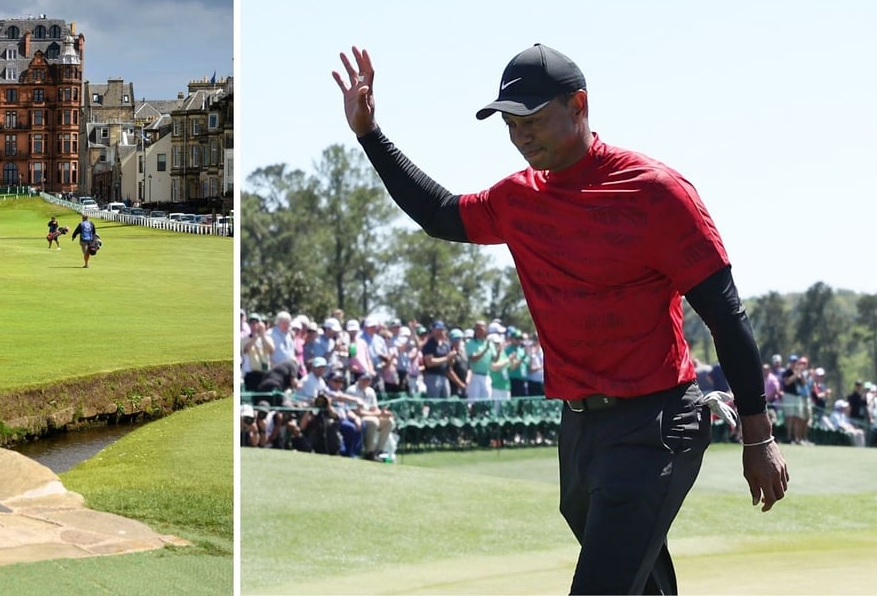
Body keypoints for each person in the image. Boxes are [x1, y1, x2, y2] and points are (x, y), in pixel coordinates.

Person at [335, 43, 788, 594]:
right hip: (579, 432)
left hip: (656, 425)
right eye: (509, 122)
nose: (521, 134)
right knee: (639, 584)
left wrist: (758, 437)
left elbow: (726, 315)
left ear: (578, 106)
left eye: (533, 118)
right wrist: (370, 135)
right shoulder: (518, 199)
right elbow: (438, 214)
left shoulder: (656, 193)